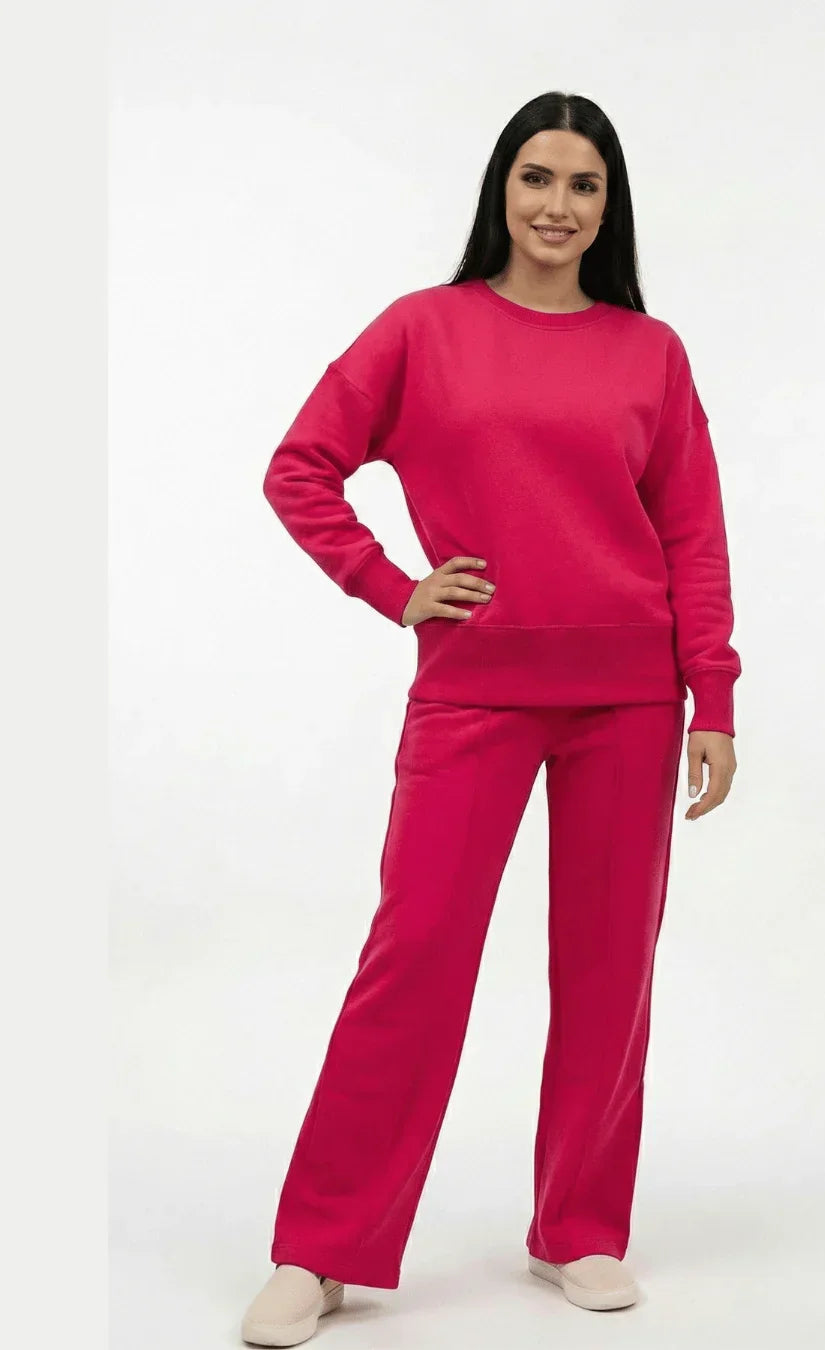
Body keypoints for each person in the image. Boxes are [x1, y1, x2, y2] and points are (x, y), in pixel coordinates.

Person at [240, 88, 741, 1346]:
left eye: (583, 185)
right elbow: (300, 467)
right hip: (473, 690)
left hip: (630, 696)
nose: (557, 205)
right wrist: (393, 586)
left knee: (609, 970)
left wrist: (714, 692)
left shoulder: (650, 351)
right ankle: (321, 1249)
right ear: (500, 190)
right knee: (414, 960)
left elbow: (691, 533)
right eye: (536, 178)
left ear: (609, 207)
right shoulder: (426, 329)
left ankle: (581, 1228)